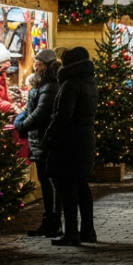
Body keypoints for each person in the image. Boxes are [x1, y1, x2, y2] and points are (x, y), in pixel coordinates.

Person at [45, 47, 99, 246]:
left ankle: (72, 233)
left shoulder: (70, 84)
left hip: (70, 142)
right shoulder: (89, 81)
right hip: (84, 139)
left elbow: (63, 116)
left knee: (67, 188)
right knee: (82, 187)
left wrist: (49, 134)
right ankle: (88, 231)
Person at [15, 48, 62, 238]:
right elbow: (30, 109)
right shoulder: (42, 84)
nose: (35, 65)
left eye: (38, 63)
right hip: (39, 140)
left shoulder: (50, 86)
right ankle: (50, 220)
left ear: (45, 65)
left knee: (50, 180)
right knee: (46, 180)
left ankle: (54, 221)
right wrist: (20, 120)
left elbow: (40, 112)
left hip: (45, 140)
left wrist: (22, 125)